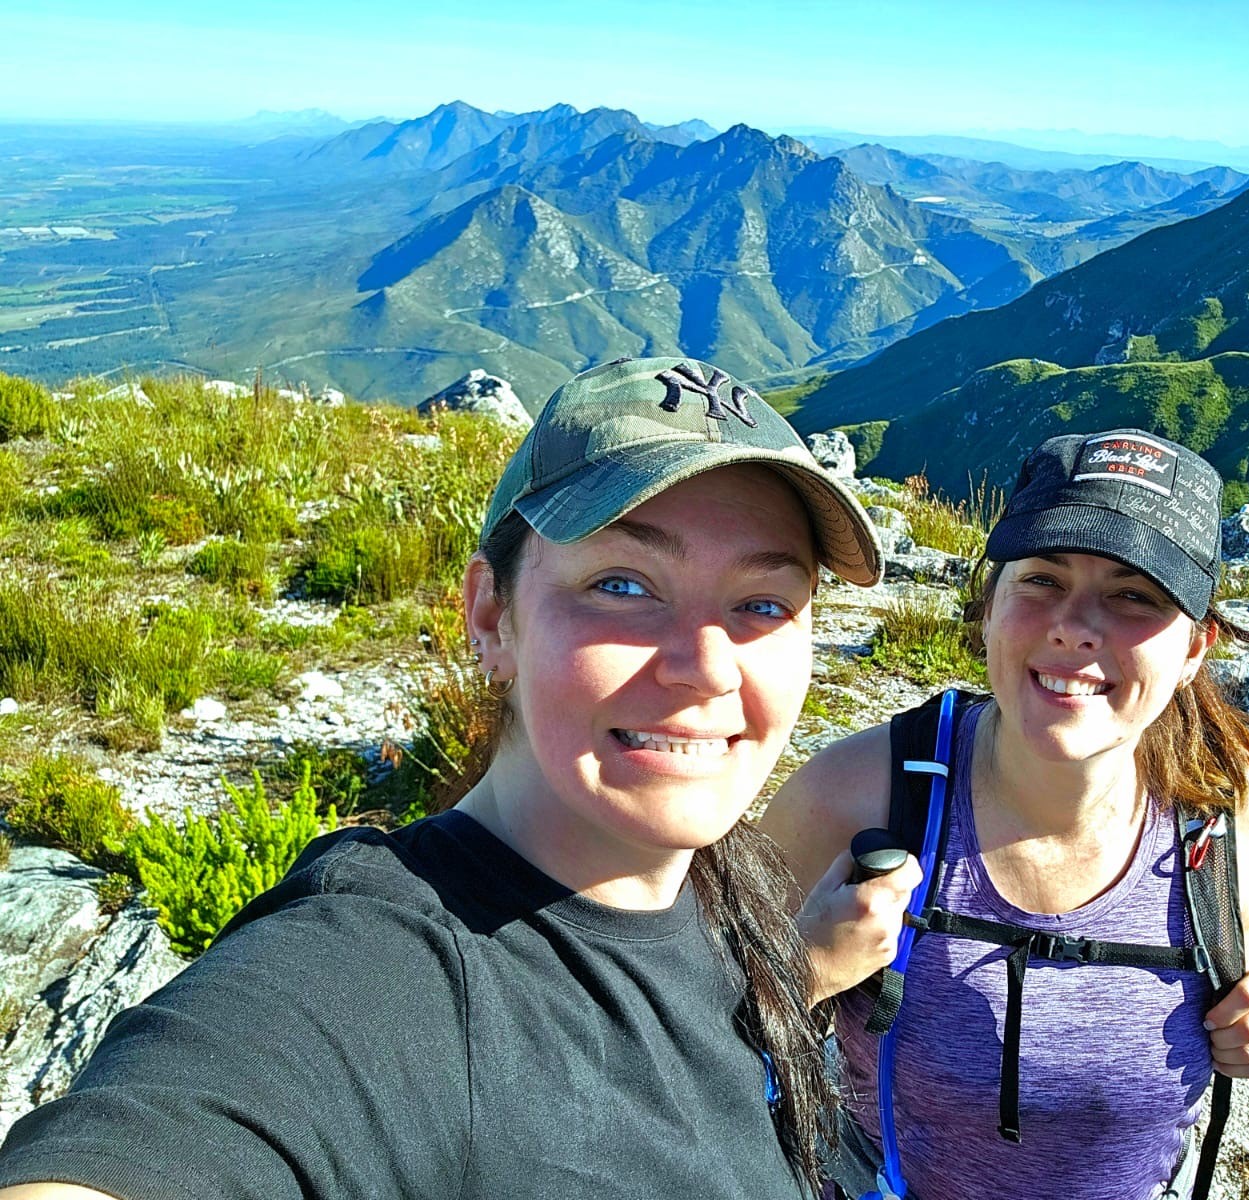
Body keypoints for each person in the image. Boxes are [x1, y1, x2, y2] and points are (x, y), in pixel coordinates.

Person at [0, 356, 885, 1200]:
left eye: (763, 604)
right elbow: (167, 1130)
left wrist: (799, 975)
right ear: (491, 615)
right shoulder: (372, 978)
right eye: (622, 584)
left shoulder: (713, 886)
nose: (708, 667)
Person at [761, 428, 1249, 1200]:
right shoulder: (858, 792)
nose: (1074, 625)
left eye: (1133, 596)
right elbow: (697, 1028)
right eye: (1043, 579)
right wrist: (806, 974)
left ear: (1194, 650)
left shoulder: (1229, 806)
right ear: (987, 611)